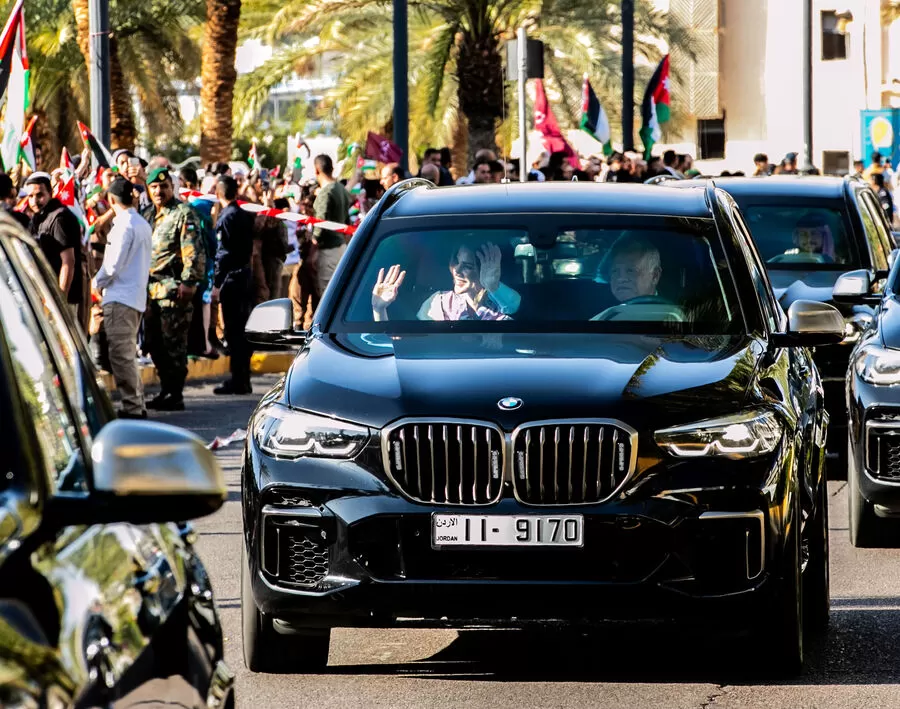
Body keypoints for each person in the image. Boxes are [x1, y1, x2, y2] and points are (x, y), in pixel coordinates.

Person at [141, 167, 206, 411]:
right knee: (153, 342)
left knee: (174, 345)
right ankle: (165, 389)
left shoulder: (183, 213)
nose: (159, 191)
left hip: (173, 289)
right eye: (154, 187)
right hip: (149, 292)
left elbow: (194, 251)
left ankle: (175, 393)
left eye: (164, 186)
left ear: (172, 187)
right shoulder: (146, 214)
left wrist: (189, 282)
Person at [92, 178, 152, 418]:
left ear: (111, 200)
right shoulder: (141, 224)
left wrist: (96, 283)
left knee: (121, 355)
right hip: (134, 296)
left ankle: (133, 407)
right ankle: (136, 403)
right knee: (126, 354)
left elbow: (112, 265)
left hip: (120, 297)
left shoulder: (123, 226)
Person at [373, 242, 520, 321]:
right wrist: (379, 310)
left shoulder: (504, 302)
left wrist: (493, 286)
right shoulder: (439, 302)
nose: (457, 270)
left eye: (467, 266)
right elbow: (408, 347)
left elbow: (515, 309)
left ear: (488, 268)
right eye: (455, 261)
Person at [212, 176, 256, 395]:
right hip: (245, 275)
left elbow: (224, 254)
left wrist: (217, 283)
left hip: (232, 279)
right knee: (241, 330)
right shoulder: (243, 214)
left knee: (234, 331)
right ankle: (242, 377)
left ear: (218, 193)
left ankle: (239, 379)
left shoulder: (226, 217)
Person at [24, 172, 84, 317]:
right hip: (47, 298)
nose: (34, 201)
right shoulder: (38, 219)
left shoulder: (58, 218)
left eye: (39, 195)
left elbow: (68, 261)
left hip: (62, 300)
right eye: (30, 196)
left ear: (50, 193)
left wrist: (60, 300)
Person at [312, 154, 352, 296]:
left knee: (327, 296)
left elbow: (319, 223)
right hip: (341, 247)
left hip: (328, 251)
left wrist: (313, 248)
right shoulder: (341, 189)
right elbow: (348, 221)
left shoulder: (326, 192)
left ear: (317, 170)